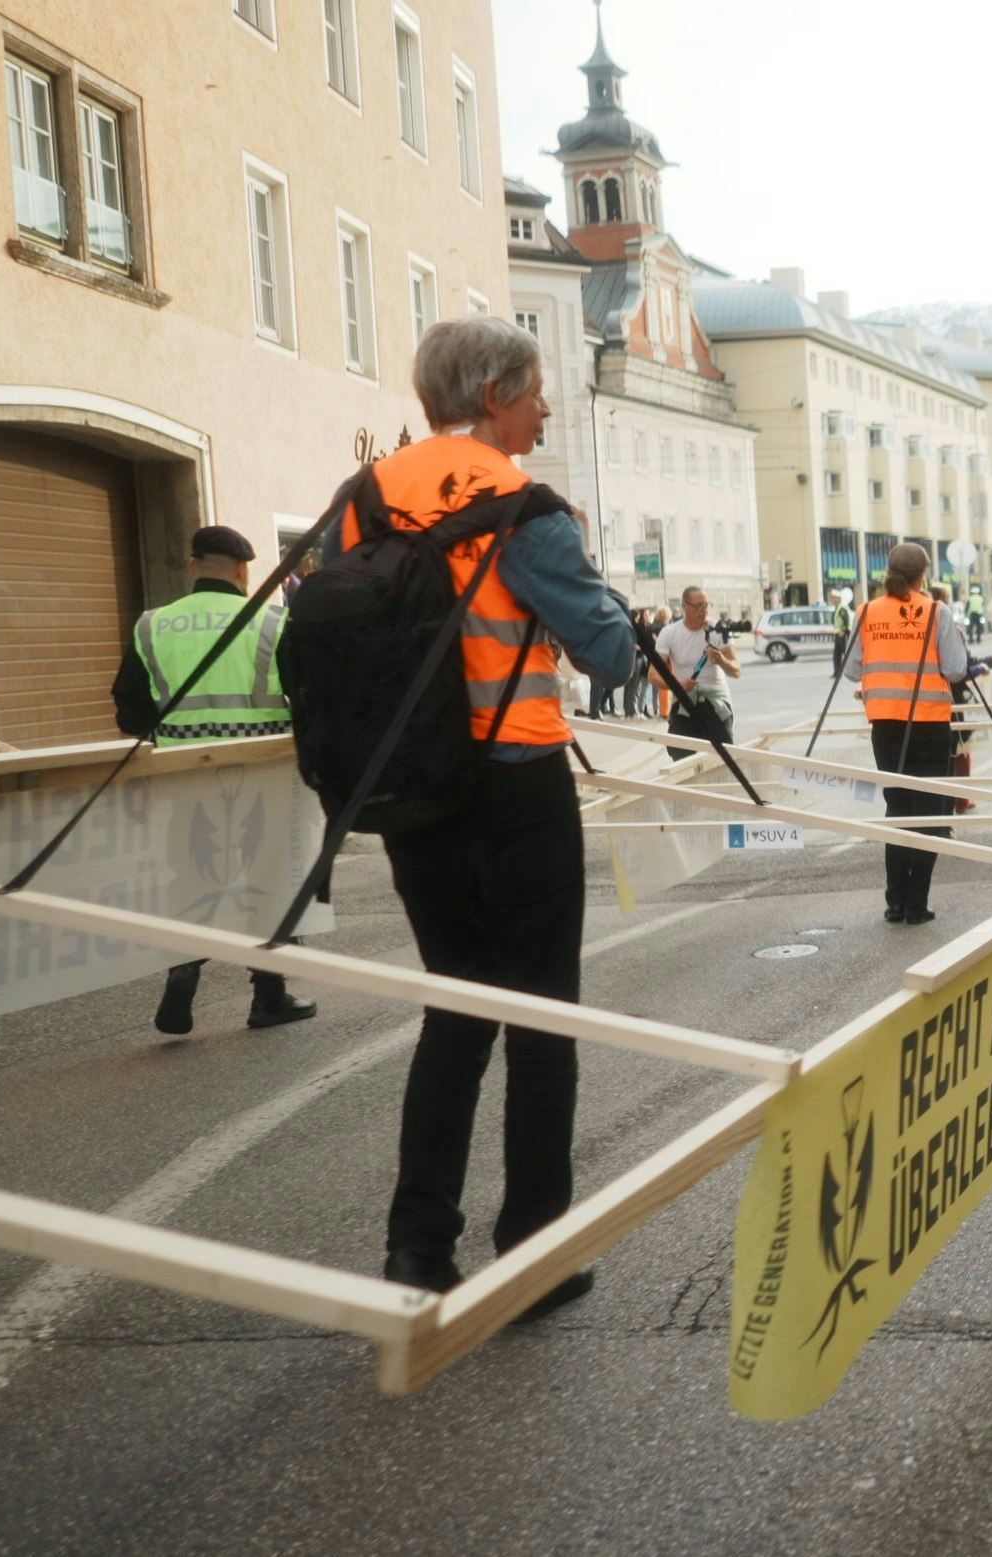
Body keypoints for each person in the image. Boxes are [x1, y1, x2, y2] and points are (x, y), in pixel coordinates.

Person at [339, 316, 634, 1313]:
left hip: (412, 790)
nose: (545, 410)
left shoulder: (363, 496)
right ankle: (532, 1256)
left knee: (456, 1011)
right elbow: (608, 653)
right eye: (536, 391)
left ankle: (417, 1247)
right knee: (541, 1018)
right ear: (497, 393)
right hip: (516, 782)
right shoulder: (523, 504)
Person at [110, 524, 314, 1036]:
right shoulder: (273, 621)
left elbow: (130, 712)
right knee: (268, 879)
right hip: (264, 772)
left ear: (192, 565)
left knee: (192, 876)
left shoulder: (153, 625)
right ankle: (268, 996)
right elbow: (308, 697)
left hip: (186, 775)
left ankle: (183, 970)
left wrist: (174, 733)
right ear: (243, 570)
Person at [843, 544, 979, 925]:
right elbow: (956, 669)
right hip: (930, 724)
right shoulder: (937, 611)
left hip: (886, 725)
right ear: (924, 574)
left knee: (899, 809)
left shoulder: (867, 612)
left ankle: (895, 902)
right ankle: (917, 903)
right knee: (930, 812)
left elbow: (851, 671)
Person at [652, 585, 740, 744]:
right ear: (684, 606)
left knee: (723, 752)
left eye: (706, 605)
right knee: (679, 751)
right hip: (684, 700)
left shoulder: (719, 629)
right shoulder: (669, 633)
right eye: (698, 606)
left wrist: (721, 659)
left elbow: (737, 671)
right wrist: (678, 685)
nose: (703, 610)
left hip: (716, 700)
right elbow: (653, 675)